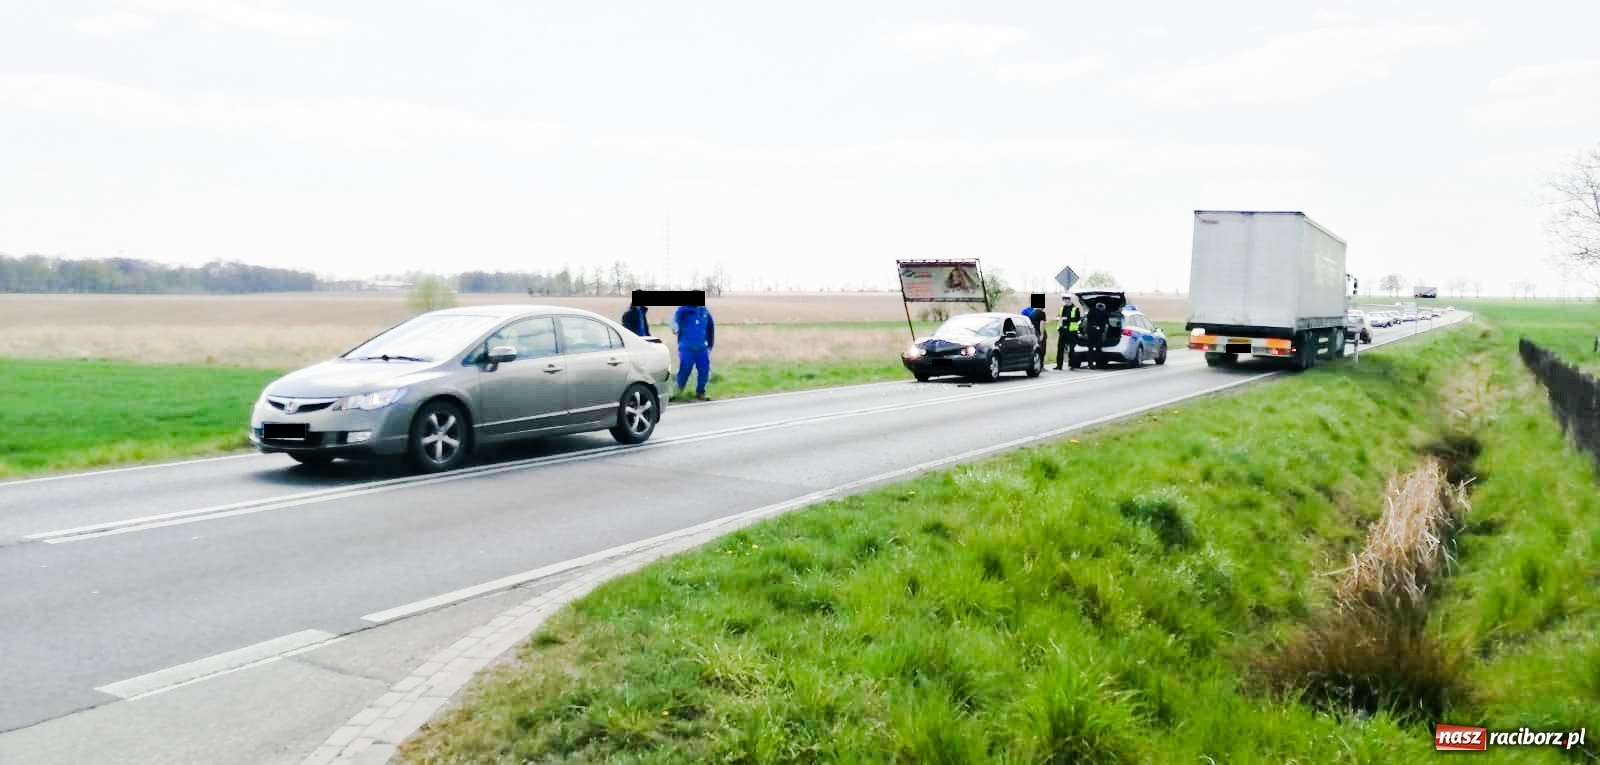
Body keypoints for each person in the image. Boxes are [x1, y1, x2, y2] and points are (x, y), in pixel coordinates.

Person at [671, 304, 715, 400]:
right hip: (686, 347)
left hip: (701, 347)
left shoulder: (704, 311)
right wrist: (675, 328)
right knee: (685, 369)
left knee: (704, 370)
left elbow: (711, 327)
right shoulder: (683, 309)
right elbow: (674, 320)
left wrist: (710, 344)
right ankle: (677, 393)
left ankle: (701, 392)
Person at [1054, 294, 1081, 370]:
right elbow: (1059, 316)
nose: (1065, 301)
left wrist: (1066, 318)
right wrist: (1059, 318)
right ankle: (1059, 365)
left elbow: (1077, 319)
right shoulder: (1062, 308)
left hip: (1071, 331)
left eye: (1066, 300)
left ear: (1069, 300)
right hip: (1062, 330)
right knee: (1060, 348)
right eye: (1064, 300)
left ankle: (1071, 364)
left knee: (1071, 349)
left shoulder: (1075, 309)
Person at [1084, 300, 1109, 369]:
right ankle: (1098, 364)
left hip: (1090, 331)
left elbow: (1087, 319)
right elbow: (1106, 323)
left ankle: (1090, 364)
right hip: (1098, 332)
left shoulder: (1091, 311)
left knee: (1090, 348)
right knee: (1098, 348)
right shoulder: (1104, 313)